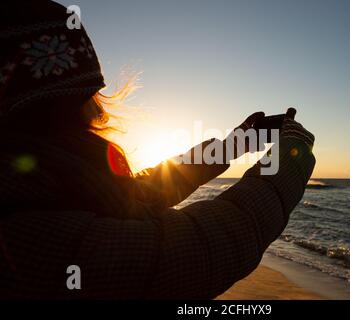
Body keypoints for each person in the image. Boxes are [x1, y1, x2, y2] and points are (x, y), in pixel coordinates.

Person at [0, 1, 315, 299]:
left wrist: (234, 145)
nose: (101, 113)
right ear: (66, 104)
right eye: (92, 96)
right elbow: (198, 251)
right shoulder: (22, 233)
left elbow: (144, 193)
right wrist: (291, 158)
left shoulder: (47, 185)